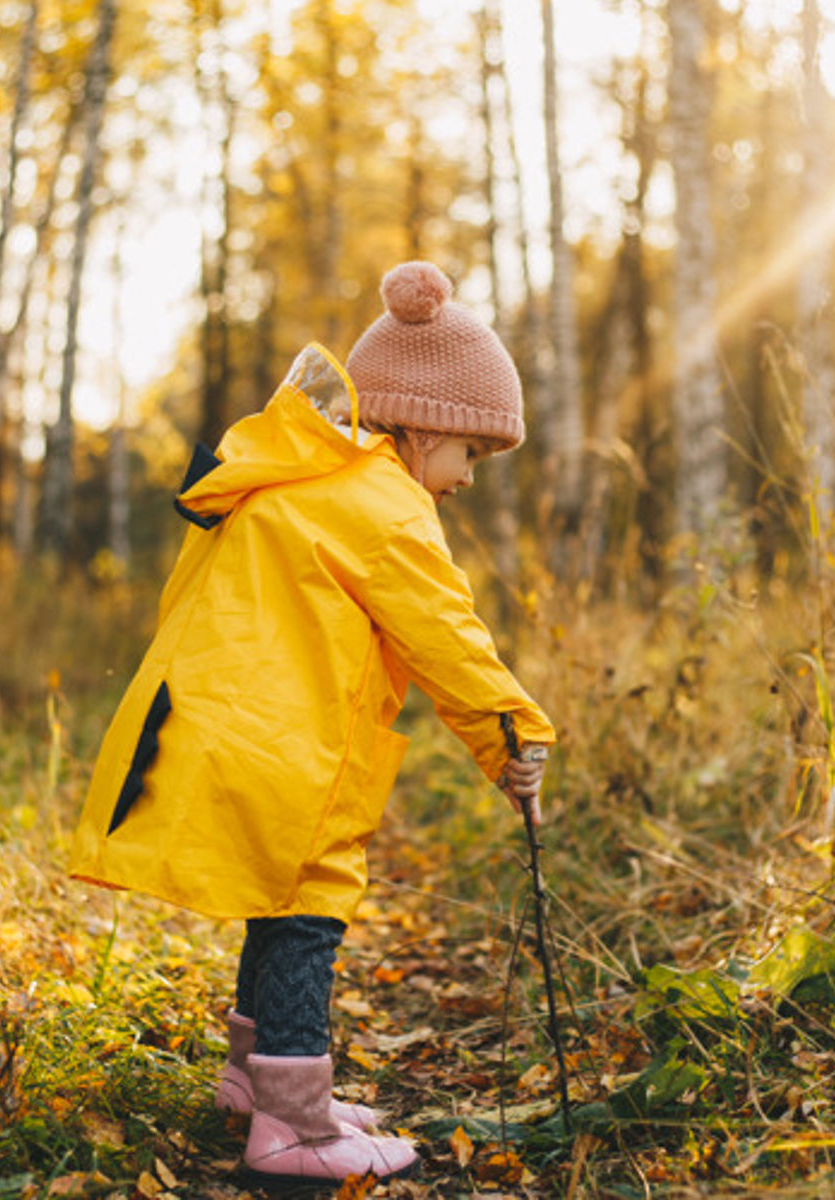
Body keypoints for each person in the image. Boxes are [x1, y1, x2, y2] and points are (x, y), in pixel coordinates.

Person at [68, 261, 555, 1187]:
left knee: (275, 898)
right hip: (289, 747)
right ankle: (293, 1129)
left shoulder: (302, 479)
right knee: (308, 908)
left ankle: (254, 1080)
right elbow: (449, 640)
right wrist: (512, 740)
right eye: (471, 456)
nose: (467, 480)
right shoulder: (383, 508)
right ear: (425, 428)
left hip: (228, 724)